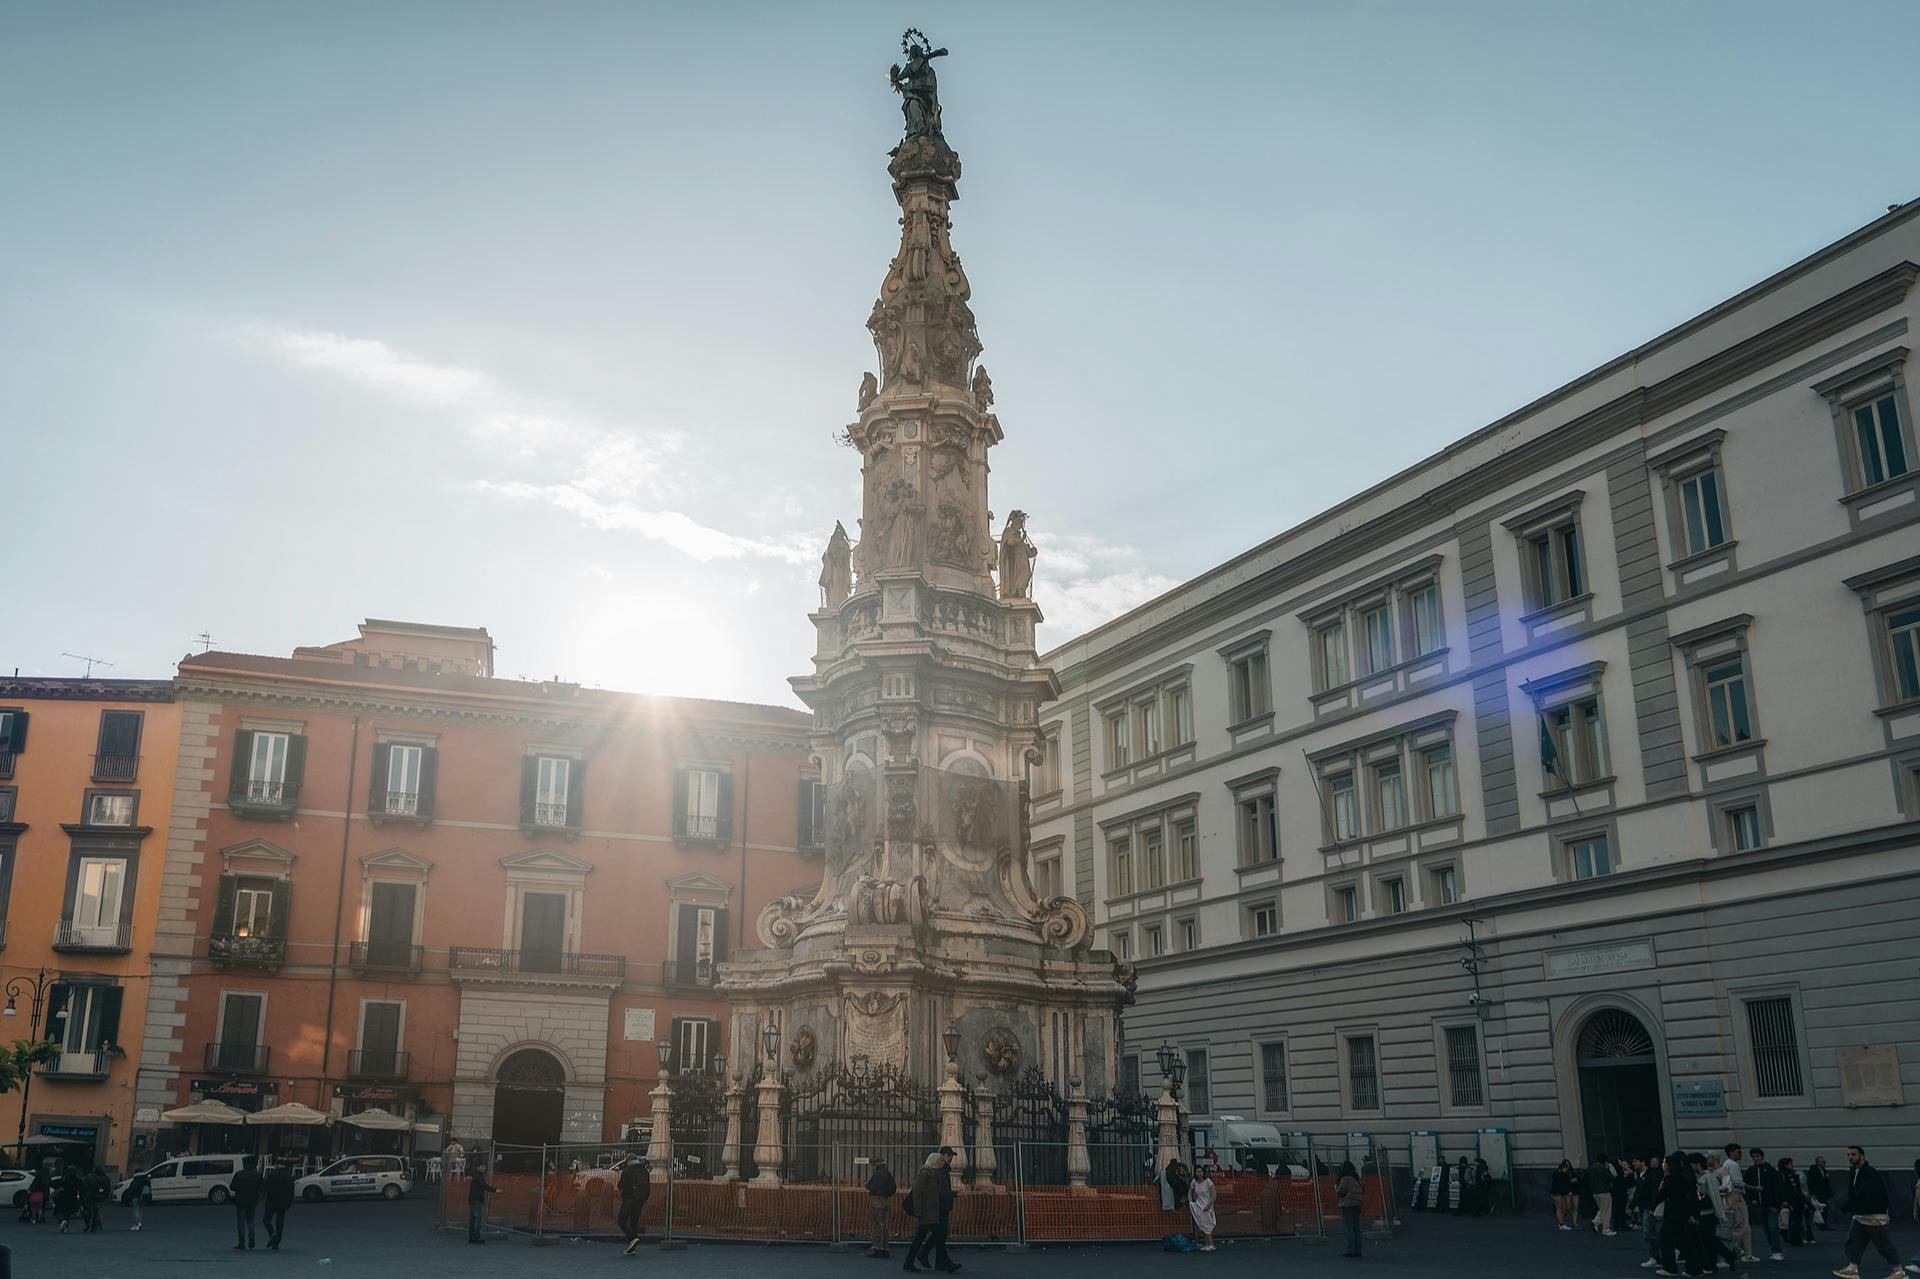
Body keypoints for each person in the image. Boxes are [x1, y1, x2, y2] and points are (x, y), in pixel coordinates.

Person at [1831, 1145, 1900, 1279]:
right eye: (1849, 1155)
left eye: (1853, 1154)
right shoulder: (1855, 1171)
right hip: (1861, 1214)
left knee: (1883, 1243)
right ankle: (1852, 1268)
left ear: (1862, 1156)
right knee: (1854, 1241)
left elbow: (1865, 1193)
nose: (1850, 1157)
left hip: (1874, 1214)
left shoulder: (1869, 1172)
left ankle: (1898, 1271)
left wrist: (1848, 1206)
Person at [903, 1147, 958, 1274]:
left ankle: (913, 1261)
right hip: (926, 1212)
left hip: (931, 1212)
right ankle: (913, 1261)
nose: (941, 1162)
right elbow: (917, 1192)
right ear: (933, 1161)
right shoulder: (925, 1173)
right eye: (939, 1160)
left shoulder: (932, 1174)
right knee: (927, 1238)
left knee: (934, 1238)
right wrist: (918, 1210)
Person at [1689, 1152, 1742, 1274]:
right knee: (1708, 1240)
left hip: (1708, 1214)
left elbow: (1715, 1197)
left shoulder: (1708, 1177)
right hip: (1703, 1213)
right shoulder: (1699, 1177)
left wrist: (1721, 1215)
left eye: (1691, 1164)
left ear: (1698, 1164)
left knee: (1708, 1239)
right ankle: (1713, 1264)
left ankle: (1728, 1256)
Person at [1656, 1152, 1700, 1277]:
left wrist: (1652, 1206)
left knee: (1666, 1239)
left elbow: (1662, 1194)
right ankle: (1694, 1268)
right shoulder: (1684, 1176)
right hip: (1683, 1212)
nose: (1663, 1164)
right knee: (1684, 1241)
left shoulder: (1673, 1178)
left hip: (1674, 1214)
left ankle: (1670, 1267)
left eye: (1665, 1162)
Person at [1720, 1145, 1756, 1262]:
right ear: (1732, 1153)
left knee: (1744, 1226)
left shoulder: (1726, 1164)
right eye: (1738, 1152)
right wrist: (1754, 1188)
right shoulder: (1733, 1165)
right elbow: (1737, 1182)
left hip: (1730, 1196)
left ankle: (1747, 1253)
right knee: (1741, 1226)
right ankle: (1732, 1249)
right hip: (1736, 1196)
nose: (1741, 1154)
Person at [1751, 1147, 1787, 1260]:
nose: (1755, 1158)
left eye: (1757, 1156)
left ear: (1762, 1157)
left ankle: (1777, 1250)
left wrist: (1776, 1204)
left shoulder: (1771, 1171)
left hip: (1771, 1205)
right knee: (1767, 1228)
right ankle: (1775, 1248)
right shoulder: (1751, 1170)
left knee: (1773, 1227)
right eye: (1753, 1156)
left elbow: (1778, 1188)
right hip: (1760, 1205)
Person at [617, 1154, 651, 1256]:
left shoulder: (627, 1170)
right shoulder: (644, 1170)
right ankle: (631, 1248)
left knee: (622, 1220)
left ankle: (633, 1239)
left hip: (629, 1198)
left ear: (628, 1161)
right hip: (640, 1199)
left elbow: (620, 1185)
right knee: (634, 1222)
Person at [865, 1155, 897, 1259]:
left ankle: (878, 1248)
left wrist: (867, 1184)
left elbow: (871, 1186)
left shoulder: (878, 1174)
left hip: (877, 1200)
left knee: (877, 1224)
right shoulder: (888, 1173)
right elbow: (893, 1187)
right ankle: (885, 1248)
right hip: (886, 1200)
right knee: (885, 1224)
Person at [1634, 1156, 1664, 1268]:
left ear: (1642, 1162)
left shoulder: (1650, 1175)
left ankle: (1655, 1257)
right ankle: (1657, 1256)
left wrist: (1652, 1207)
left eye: (1636, 1161)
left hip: (1648, 1206)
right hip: (1643, 1206)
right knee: (1649, 1232)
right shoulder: (1640, 1175)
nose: (1634, 1163)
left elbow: (1653, 1191)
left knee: (1649, 1232)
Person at [229, 1153, 261, 1250]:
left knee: (241, 1222)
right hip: (252, 1200)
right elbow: (263, 1187)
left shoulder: (239, 1174)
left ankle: (241, 1242)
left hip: (240, 1200)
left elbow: (232, 1187)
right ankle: (251, 1237)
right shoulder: (257, 1175)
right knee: (251, 1220)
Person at [262, 1157, 295, 1251]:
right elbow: (291, 1191)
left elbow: (266, 1187)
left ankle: (273, 1235)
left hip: (271, 1202)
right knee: (280, 1222)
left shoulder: (273, 1174)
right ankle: (277, 1241)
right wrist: (289, 1202)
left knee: (266, 1220)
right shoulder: (288, 1176)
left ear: (277, 1164)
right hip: (283, 1203)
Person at [1780, 1156, 1812, 1247]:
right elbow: (1783, 1189)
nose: (1793, 1165)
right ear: (1786, 1165)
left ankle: (1796, 1238)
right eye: (1791, 1164)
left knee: (1797, 1220)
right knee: (1792, 1221)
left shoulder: (1793, 1175)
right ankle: (1793, 1238)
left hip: (1797, 1200)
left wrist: (1803, 1201)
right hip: (1790, 1201)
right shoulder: (1783, 1176)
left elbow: (1797, 1189)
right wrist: (1784, 1200)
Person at [467, 1155, 497, 1245]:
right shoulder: (478, 1176)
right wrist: (495, 1190)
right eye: (482, 1166)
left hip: (473, 1198)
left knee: (473, 1219)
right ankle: (476, 1236)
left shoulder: (476, 1175)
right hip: (476, 1199)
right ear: (478, 1167)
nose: (484, 1168)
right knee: (477, 1219)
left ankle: (472, 1236)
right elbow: (484, 1186)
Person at [1337, 1160, 1365, 1258]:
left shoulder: (1345, 1178)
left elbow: (1340, 1191)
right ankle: (1358, 1250)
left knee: (1349, 1228)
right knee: (1357, 1228)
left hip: (1347, 1205)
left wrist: (1336, 1189)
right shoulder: (1356, 1178)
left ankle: (1350, 1249)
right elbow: (1362, 1189)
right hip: (1357, 1204)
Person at [1188, 1164, 1218, 1252]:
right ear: (1195, 1173)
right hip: (1199, 1206)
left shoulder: (1208, 1181)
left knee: (1207, 1225)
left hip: (1207, 1206)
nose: (1200, 1173)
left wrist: (1208, 1205)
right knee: (1202, 1225)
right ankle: (1207, 1243)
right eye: (1198, 1172)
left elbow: (1214, 1195)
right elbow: (1189, 1192)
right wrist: (1190, 1202)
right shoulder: (1194, 1182)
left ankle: (1211, 1244)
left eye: (1201, 1172)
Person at [1589, 1155, 1618, 1236]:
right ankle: (1606, 1229)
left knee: (1602, 1209)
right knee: (1606, 1211)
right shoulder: (1603, 1168)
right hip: (1604, 1191)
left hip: (1595, 1192)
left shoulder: (1591, 1168)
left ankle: (1596, 1221)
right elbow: (1612, 1177)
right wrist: (1610, 1167)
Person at [121, 1162, 151, 1232]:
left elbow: (131, 1190)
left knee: (135, 1211)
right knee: (140, 1211)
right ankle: (139, 1223)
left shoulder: (135, 1181)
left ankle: (136, 1225)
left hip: (135, 1197)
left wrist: (128, 1197)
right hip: (143, 1197)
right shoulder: (146, 1180)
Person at [1809, 1156, 1836, 1231]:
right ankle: (1821, 1224)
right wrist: (1812, 1193)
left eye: (1824, 1162)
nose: (1824, 1163)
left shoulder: (1823, 1170)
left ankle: (1821, 1224)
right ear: (1818, 1162)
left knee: (1824, 1209)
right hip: (1817, 1193)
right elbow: (1811, 1183)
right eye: (1822, 1162)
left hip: (1824, 1193)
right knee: (1822, 1208)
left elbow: (1826, 1183)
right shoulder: (1813, 1170)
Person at [55, 1163, 83, 1232]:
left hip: (64, 1196)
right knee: (67, 1213)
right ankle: (66, 1225)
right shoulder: (77, 1179)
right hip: (73, 1197)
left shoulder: (66, 1177)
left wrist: (56, 1192)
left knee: (58, 1211)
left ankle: (62, 1222)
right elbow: (80, 1188)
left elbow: (62, 1186)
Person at [1551, 1159, 1578, 1231]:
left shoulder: (1562, 1174)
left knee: (1563, 1207)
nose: (1567, 1170)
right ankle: (1561, 1224)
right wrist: (1567, 1191)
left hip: (1561, 1192)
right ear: (1562, 1168)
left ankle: (1561, 1223)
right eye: (1566, 1168)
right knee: (1559, 1207)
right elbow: (1560, 1184)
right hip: (1557, 1192)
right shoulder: (1557, 1174)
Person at [84, 1164, 110, 1232]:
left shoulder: (90, 1176)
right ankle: (94, 1226)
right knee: (96, 1211)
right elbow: (108, 1188)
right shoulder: (106, 1177)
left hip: (91, 1196)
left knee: (88, 1210)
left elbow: (85, 1186)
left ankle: (88, 1224)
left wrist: (86, 1195)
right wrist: (105, 1196)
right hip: (101, 1196)